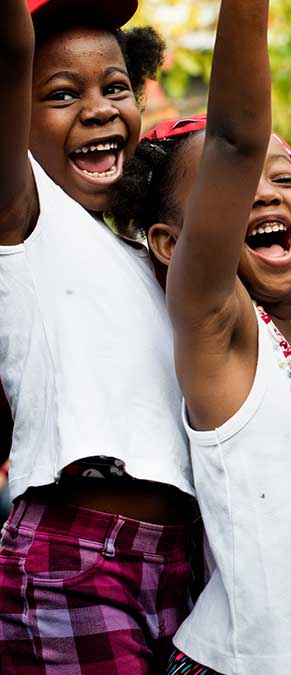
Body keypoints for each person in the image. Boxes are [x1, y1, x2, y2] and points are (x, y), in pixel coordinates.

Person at [108, 0, 291, 670]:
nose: (267, 193)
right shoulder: (219, 331)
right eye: (233, 189)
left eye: (285, 179)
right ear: (171, 242)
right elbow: (233, 139)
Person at [0, 1, 196, 672]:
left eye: (116, 86)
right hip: (75, 555)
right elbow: (7, 55)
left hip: (179, 562)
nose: (100, 107)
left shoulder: (149, 256)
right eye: (62, 94)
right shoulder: (24, 219)